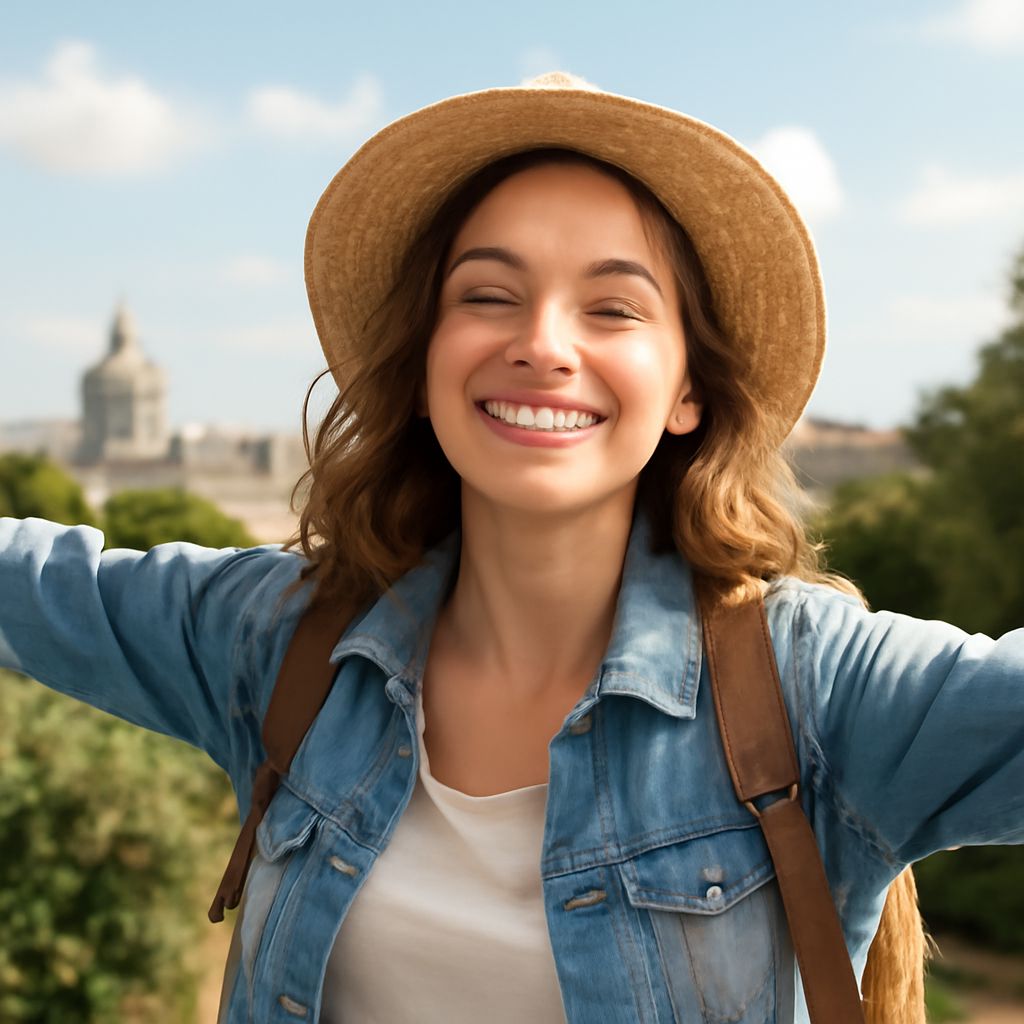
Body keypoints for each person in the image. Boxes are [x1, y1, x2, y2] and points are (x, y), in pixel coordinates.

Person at [0, 71, 1021, 1024]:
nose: (541, 341)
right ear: (423, 357)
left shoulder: (821, 687)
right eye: (487, 294)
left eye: (611, 306)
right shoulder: (275, 641)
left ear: (687, 392)